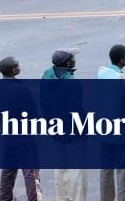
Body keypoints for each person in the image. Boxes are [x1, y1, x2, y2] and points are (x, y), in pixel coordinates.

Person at [0, 57, 41, 201]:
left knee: (8, 170)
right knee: (31, 172)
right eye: (18, 65)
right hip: (25, 136)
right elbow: (32, 113)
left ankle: (4, 198)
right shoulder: (22, 88)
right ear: (14, 70)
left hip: (8, 136)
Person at [42, 49, 89, 201]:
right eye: (73, 59)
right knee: (76, 170)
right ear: (68, 63)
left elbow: (43, 105)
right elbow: (76, 110)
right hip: (73, 133)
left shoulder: (46, 76)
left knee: (60, 167)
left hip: (54, 129)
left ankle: (62, 197)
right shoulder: (72, 83)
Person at [97, 44, 125, 201]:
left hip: (103, 131)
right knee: (123, 174)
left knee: (106, 170)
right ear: (121, 60)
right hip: (121, 134)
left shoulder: (101, 72)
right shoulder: (123, 79)